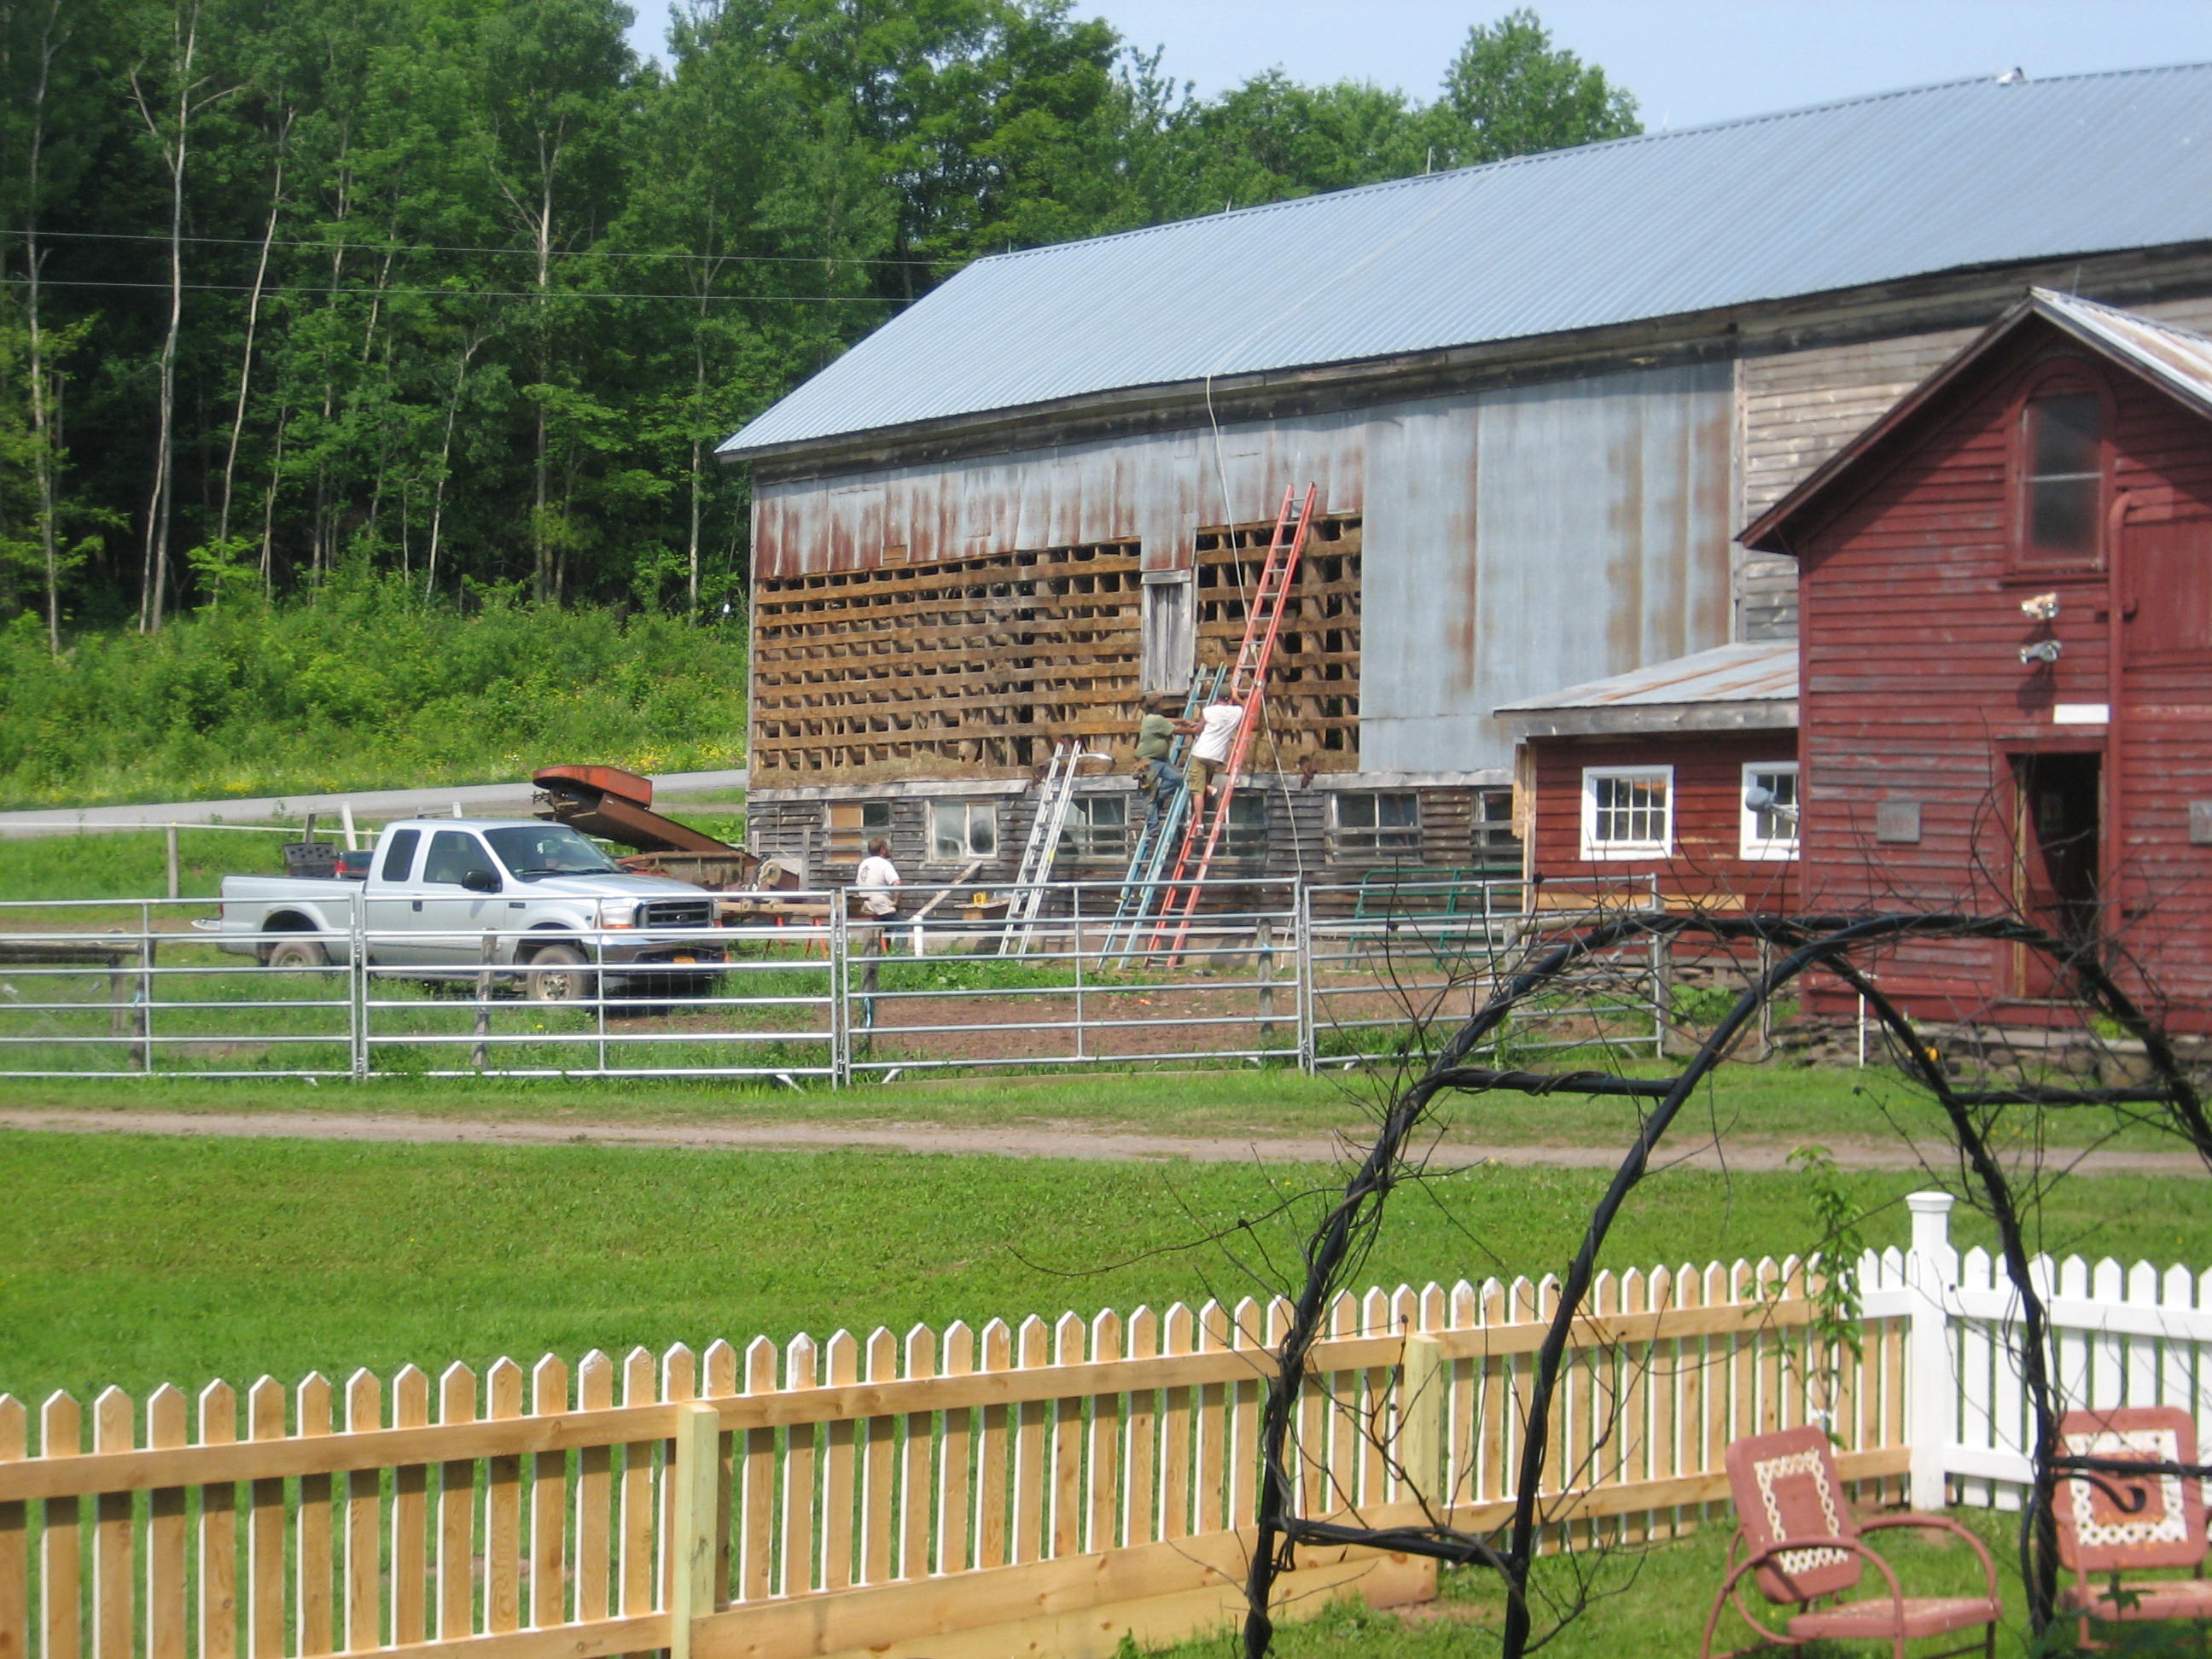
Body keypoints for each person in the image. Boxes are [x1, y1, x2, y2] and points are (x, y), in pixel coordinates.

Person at [1184, 688, 1245, 821]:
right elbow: (1247, 709)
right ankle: (1210, 789)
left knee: (1197, 789)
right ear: (1230, 698)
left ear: (1217, 697)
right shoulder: (1237, 712)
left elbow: (1198, 730)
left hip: (1201, 753)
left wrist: (1190, 727)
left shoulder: (1209, 711)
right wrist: (1237, 697)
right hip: (1217, 756)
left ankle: (1199, 823)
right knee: (1202, 783)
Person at [1132, 695, 1180, 818]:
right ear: (1157, 704)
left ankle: (1159, 797)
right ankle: (1153, 828)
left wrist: (1184, 721)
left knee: (1175, 778)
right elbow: (1175, 730)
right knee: (1149, 797)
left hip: (1160, 761)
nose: (1163, 705)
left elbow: (1167, 722)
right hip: (1149, 762)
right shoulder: (1155, 719)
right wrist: (1195, 730)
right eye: (1161, 702)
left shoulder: (1152, 719)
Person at [853, 837, 901, 923]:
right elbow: (897, 883)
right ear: (882, 850)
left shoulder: (863, 863)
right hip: (880, 903)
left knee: (882, 929)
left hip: (865, 903)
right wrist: (896, 901)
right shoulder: (884, 863)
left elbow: (858, 883)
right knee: (901, 928)